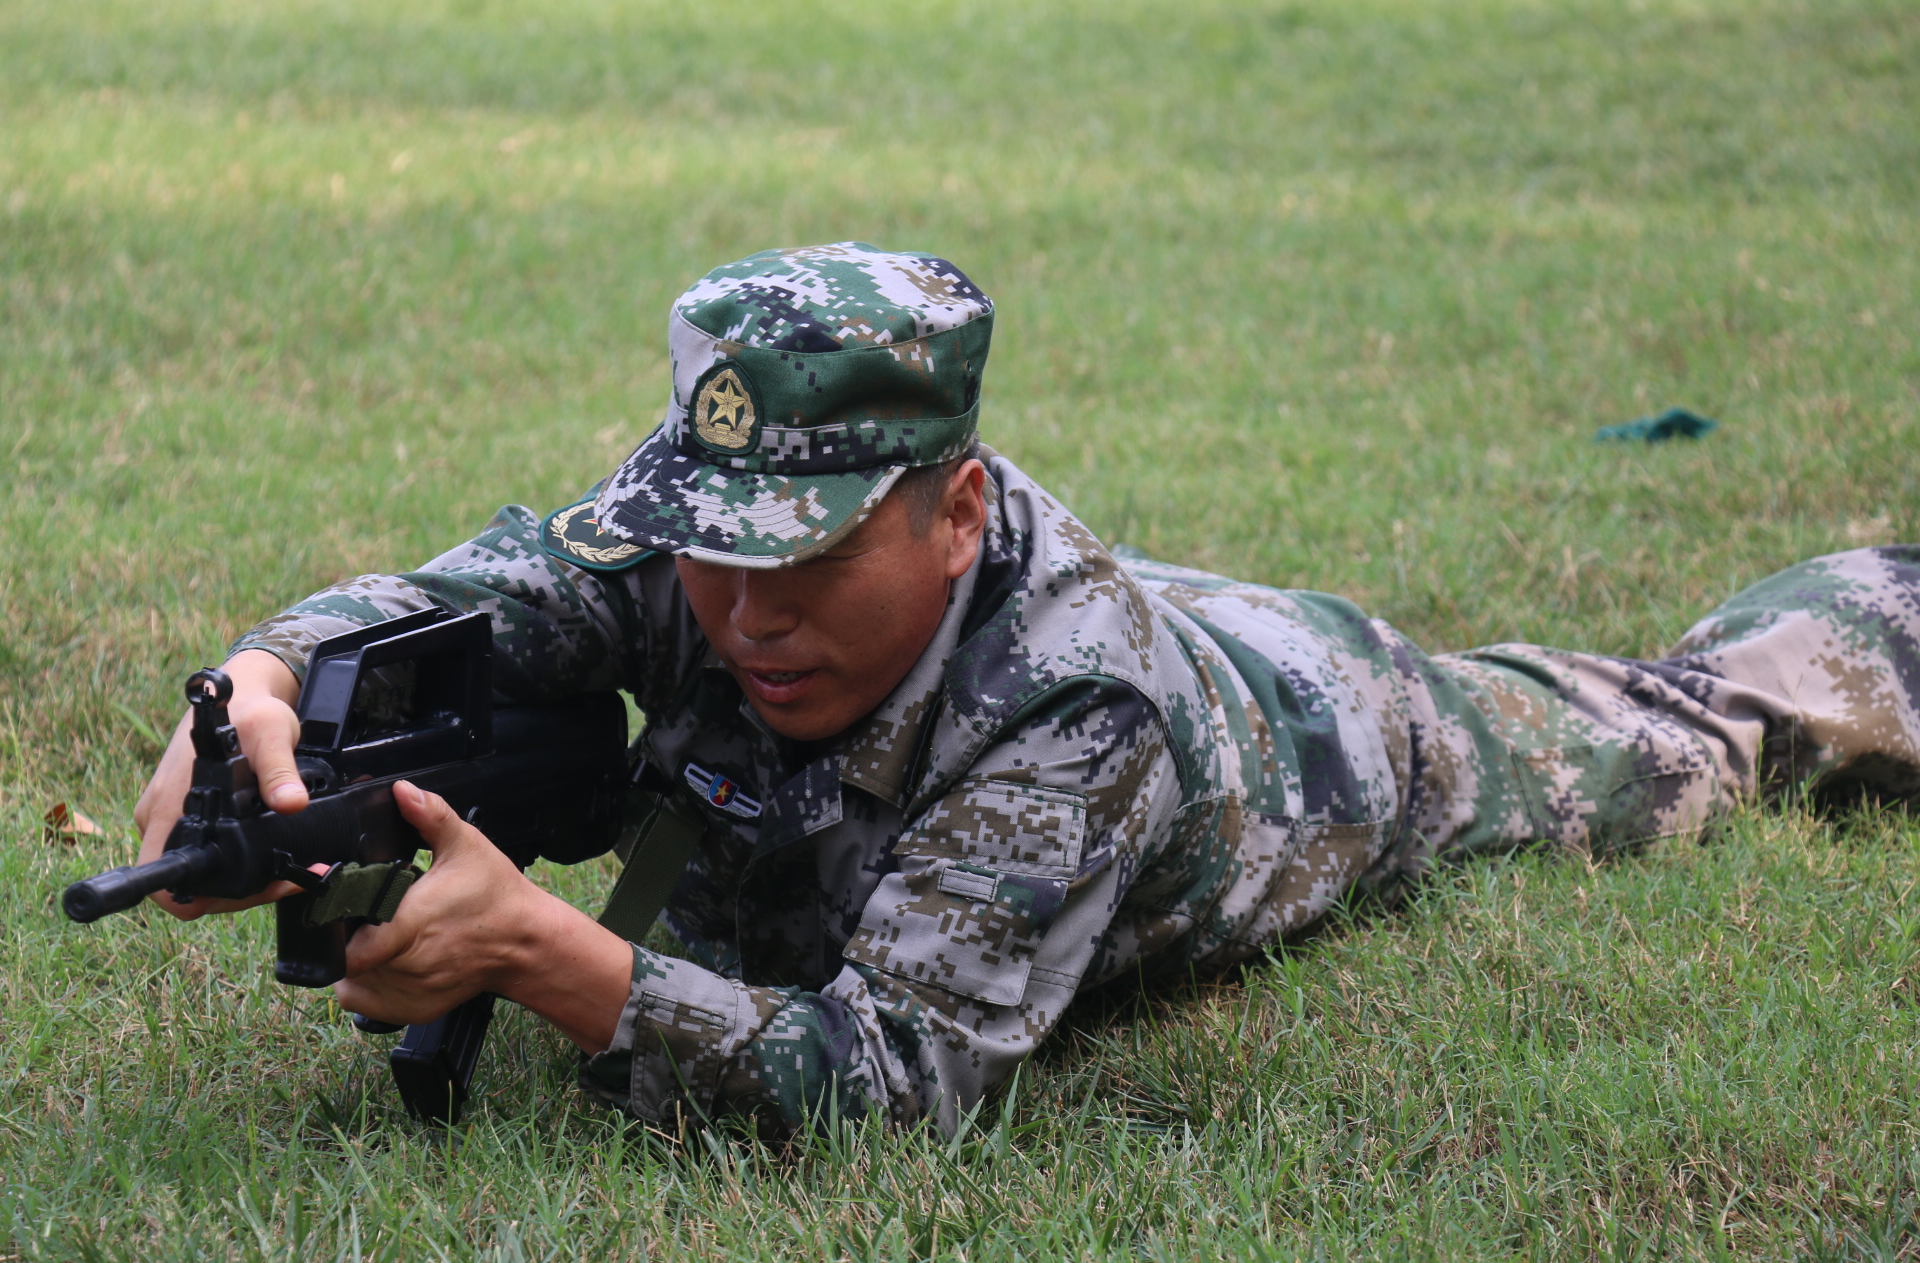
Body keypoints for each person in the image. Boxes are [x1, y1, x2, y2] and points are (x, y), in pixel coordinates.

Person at [131, 243, 1920, 1139]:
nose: (744, 612)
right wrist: (266, 677)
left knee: (1678, 728)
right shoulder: (730, 519)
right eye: (714, 556)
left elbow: (892, 1084)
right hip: (1118, 622)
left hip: (1317, 735)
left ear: (958, 508)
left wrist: (549, 957)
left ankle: (1872, 606)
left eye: (808, 560)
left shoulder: (1080, 710)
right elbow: (505, 582)